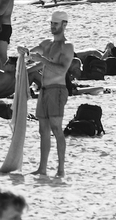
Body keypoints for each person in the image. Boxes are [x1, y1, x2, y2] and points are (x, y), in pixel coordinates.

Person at [32, 9, 75, 179]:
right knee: (43, 130)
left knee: (56, 128)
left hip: (57, 89)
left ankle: (61, 169)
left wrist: (42, 60)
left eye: (55, 24)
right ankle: (42, 169)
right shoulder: (46, 44)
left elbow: (62, 70)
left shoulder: (67, 46)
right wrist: (24, 53)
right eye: (51, 23)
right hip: (44, 89)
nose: (52, 26)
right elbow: (31, 54)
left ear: (64, 25)